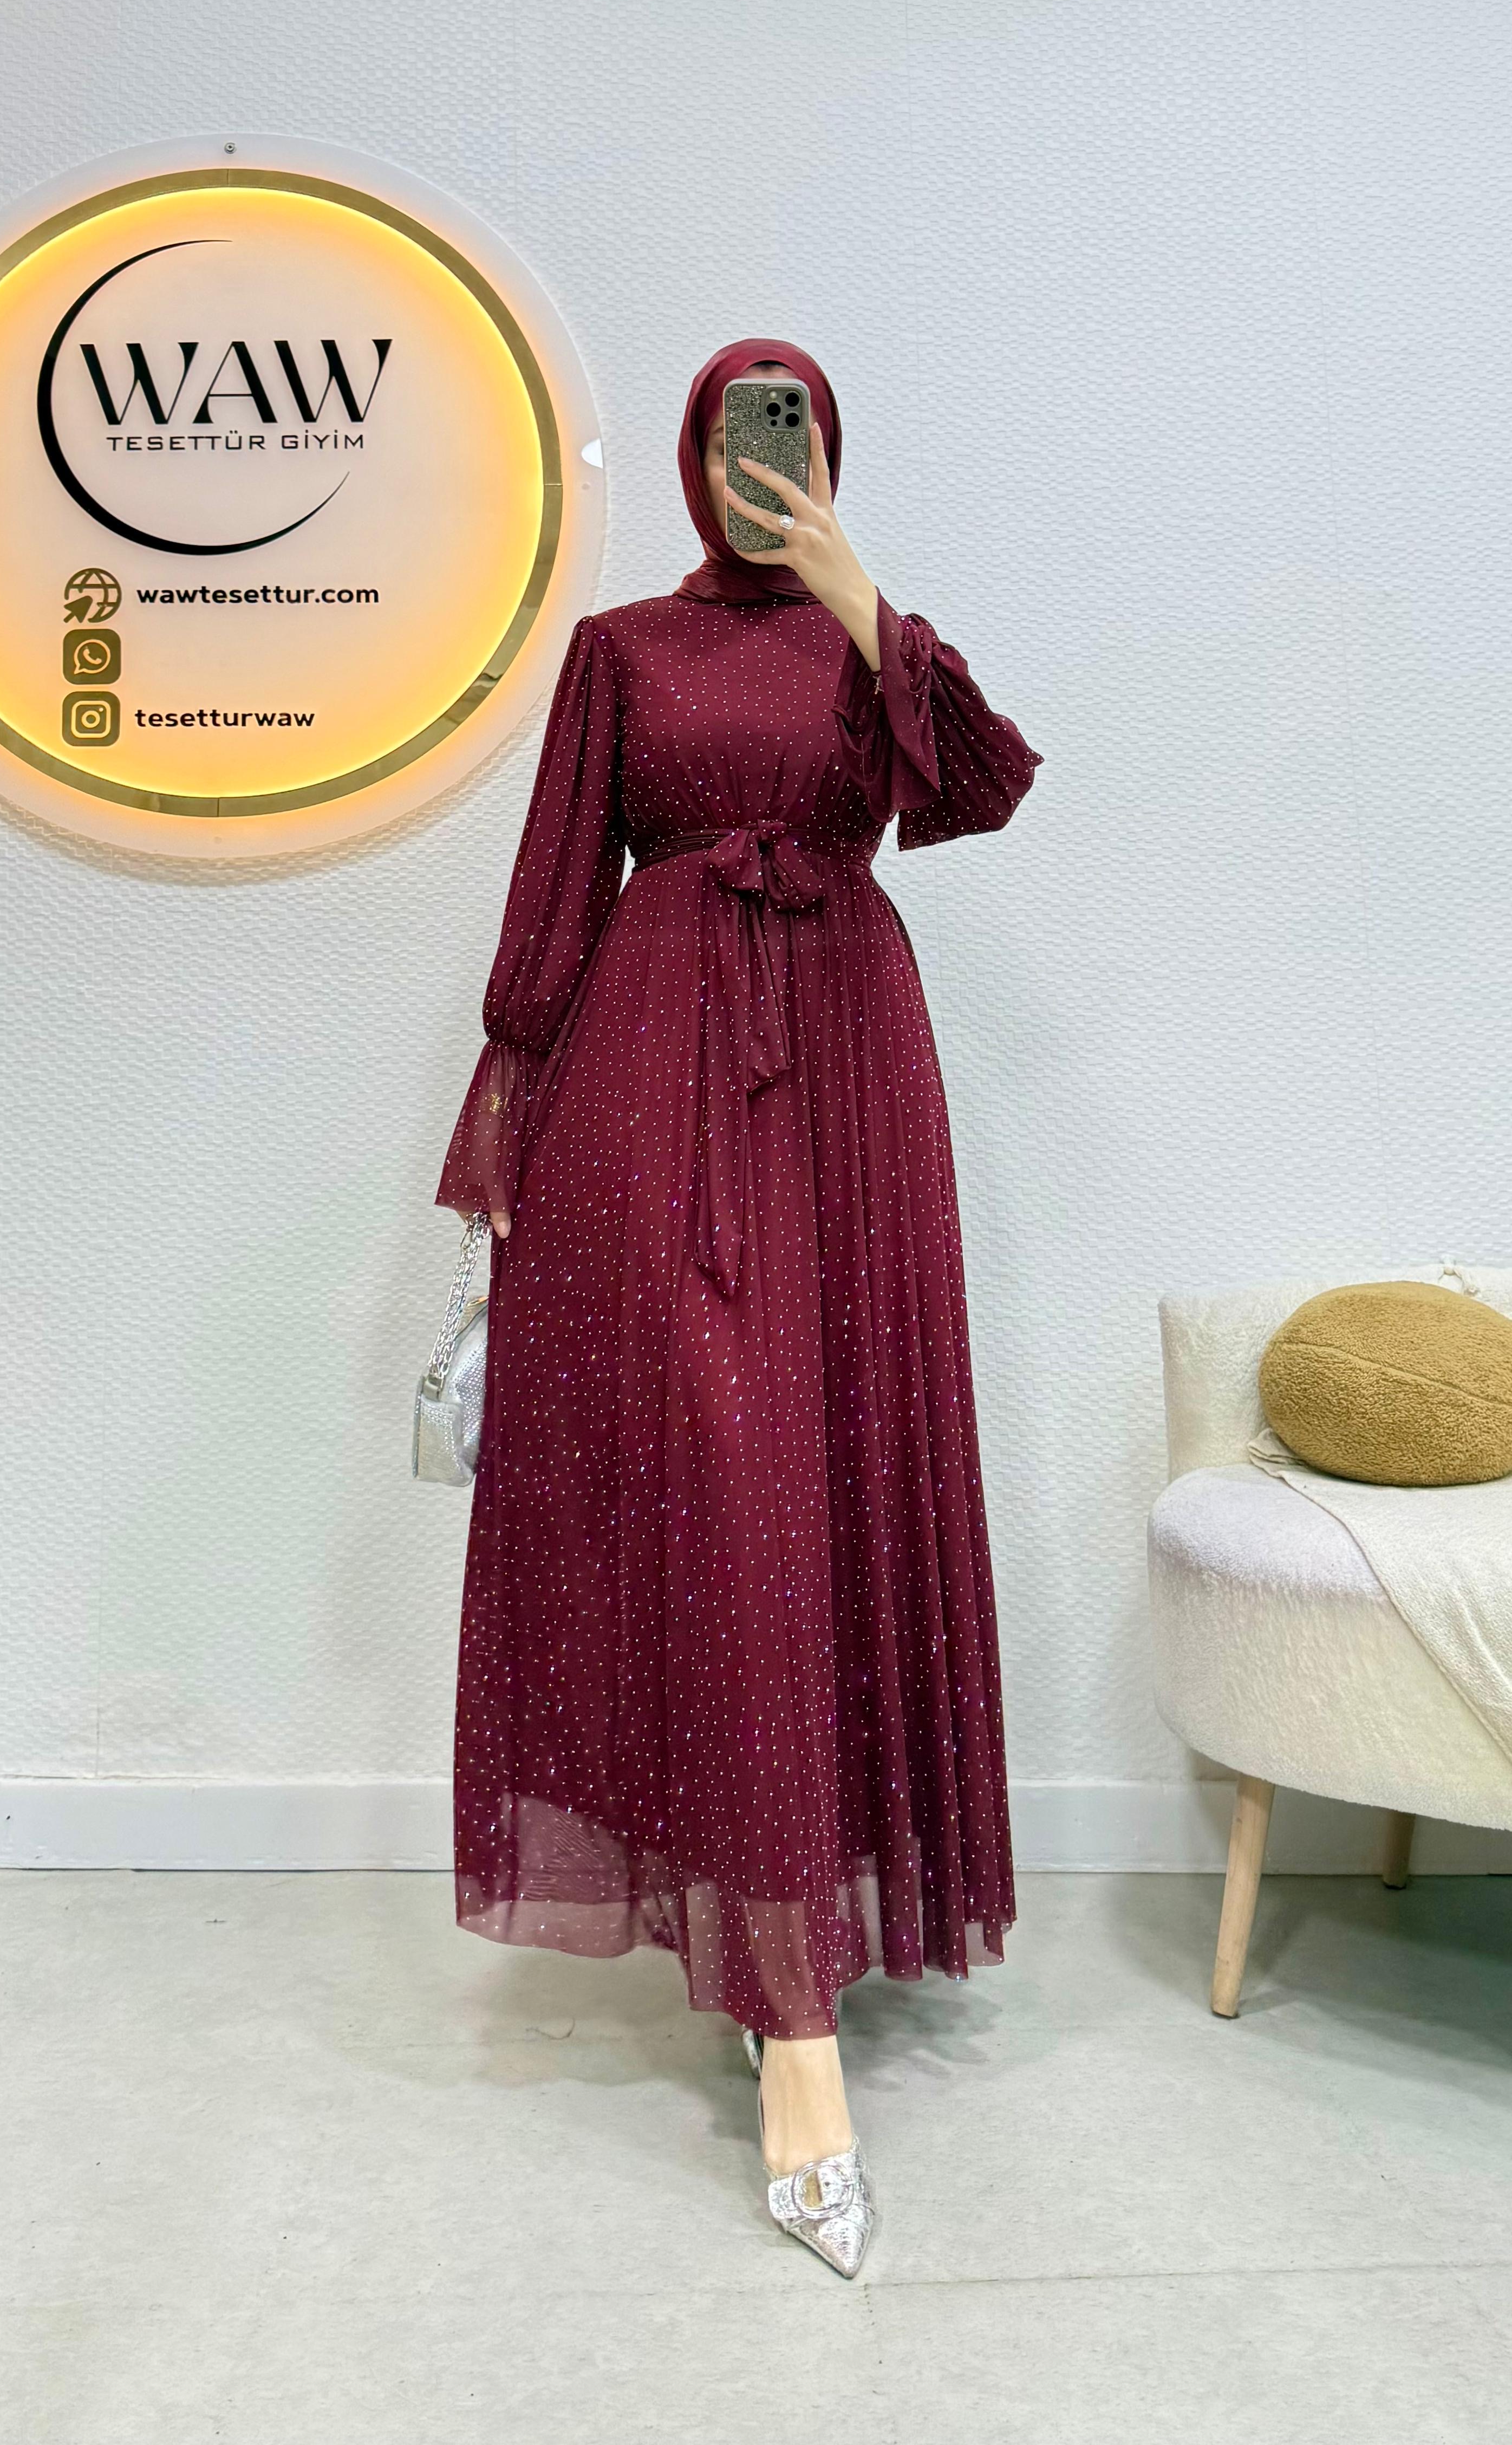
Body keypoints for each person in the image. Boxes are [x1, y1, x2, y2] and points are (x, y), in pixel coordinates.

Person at [436, 337, 1044, 2275]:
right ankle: (791, 2020)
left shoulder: (883, 651)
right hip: (656, 1079)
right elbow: (556, 897)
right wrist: (501, 1160)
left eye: (787, 431)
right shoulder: (620, 652)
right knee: (724, 1487)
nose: (754, 462)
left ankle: (796, 1948)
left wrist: (862, 591)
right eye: (728, 431)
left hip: (851, 1078)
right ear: (694, 458)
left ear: (825, 453)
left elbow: (981, 789)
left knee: (830, 1478)